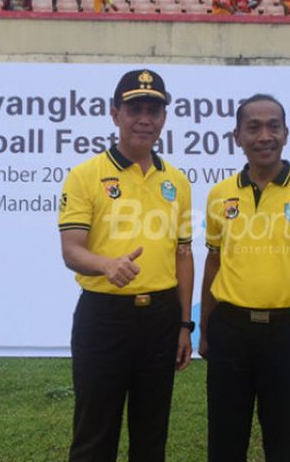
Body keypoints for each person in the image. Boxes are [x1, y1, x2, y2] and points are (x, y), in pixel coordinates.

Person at [199, 94, 290, 462]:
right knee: (224, 440)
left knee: (283, 443)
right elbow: (213, 262)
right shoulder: (220, 195)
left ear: (286, 134)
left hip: (288, 332)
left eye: (273, 126)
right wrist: (205, 328)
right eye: (253, 127)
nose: (264, 135)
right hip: (230, 330)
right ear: (237, 137)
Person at [58, 69, 193, 462]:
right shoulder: (85, 176)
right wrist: (105, 264)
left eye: (154, 109)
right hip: (104, 317)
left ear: (164, 118)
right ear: (115, 113)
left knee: (152, 436)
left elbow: (183, 255)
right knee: (94, 435)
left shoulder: (178, 182)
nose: (145, 119)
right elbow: (71, 250)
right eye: (135, 108)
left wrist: (185, 324)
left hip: (162, 318)